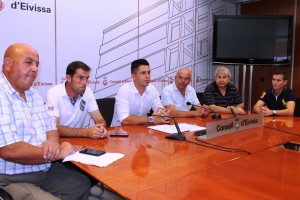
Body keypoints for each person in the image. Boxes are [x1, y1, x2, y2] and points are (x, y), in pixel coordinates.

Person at [0, 43, 91, 199]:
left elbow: (51, 127)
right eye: (28, 62)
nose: (35, 68)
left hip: (43, 169)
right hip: (11, 177)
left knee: (81, 184)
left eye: (37, 64)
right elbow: (9, 149)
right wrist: (57, 153)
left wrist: (52, 143)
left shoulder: (33, 94)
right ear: (8, 64)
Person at [46, 61, 108, 139]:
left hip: (78, 141)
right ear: (69, 78)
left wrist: (101, 128)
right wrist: (86, 132)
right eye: (80, 78)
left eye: (87, 78)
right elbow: (53, 127)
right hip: (57, 141)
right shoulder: (54, 93)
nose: (85, 82)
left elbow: (99, 119)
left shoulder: (87, 92)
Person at [111, 58, 170, 127]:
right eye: (143, 73)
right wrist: (151, 119)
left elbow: (158, 109)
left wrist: (163, 113)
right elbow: (125, 120)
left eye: (149, 72)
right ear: (133, 76)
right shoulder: (124, 91)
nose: (147, 76)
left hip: (142, 130)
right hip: (120, 132)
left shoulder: (152, 89)